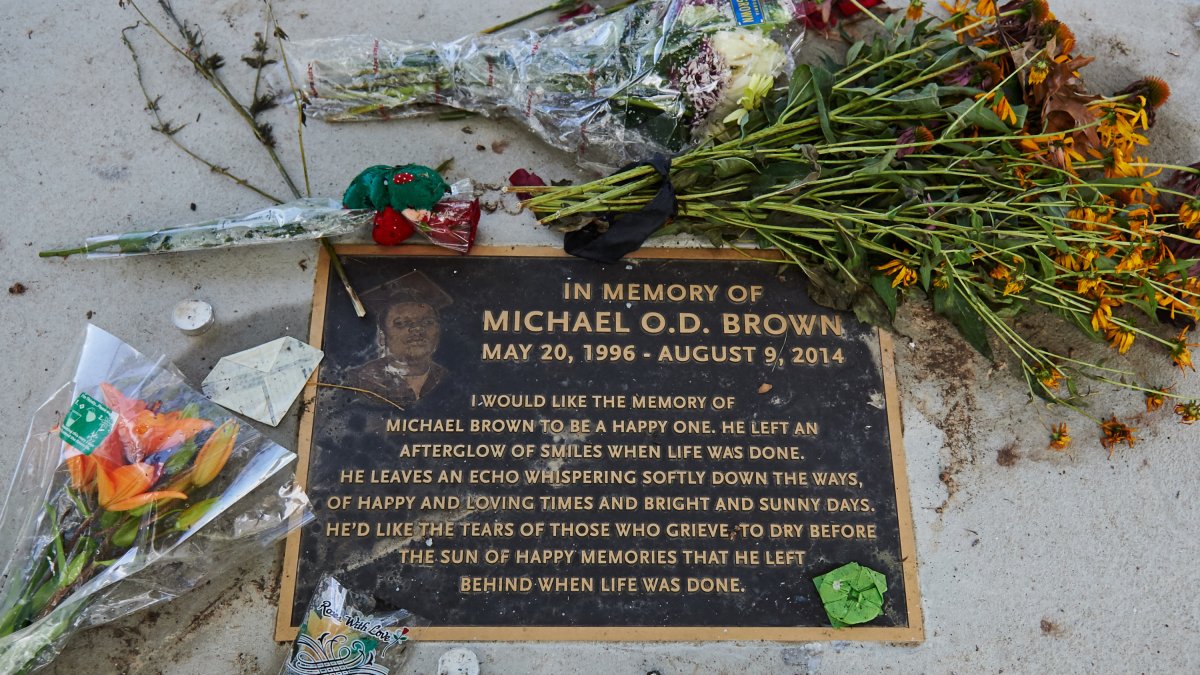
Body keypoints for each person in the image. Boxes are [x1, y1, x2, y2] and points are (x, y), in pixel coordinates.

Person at [343, 270, 453, 405]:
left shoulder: (448, 380)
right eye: (402, 323)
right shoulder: (358, 382)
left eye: (427, 322)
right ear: (382, 336)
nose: (417, 329)